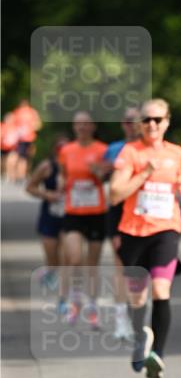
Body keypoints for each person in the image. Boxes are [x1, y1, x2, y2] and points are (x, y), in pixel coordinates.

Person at [110, 98, 181, 378]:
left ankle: (158, 354)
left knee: (160, 290)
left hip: (166, 230)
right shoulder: (130, 152)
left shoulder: (176, 152)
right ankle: (139, 340)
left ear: (167, 122)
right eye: (146, 120)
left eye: (158, 119)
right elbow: (114, 194)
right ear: (139, 124)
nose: (152, 124)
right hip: (133, 233)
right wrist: (144, 172)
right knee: (137, 297)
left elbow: (179, 179)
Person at [57, 111, 108, 326]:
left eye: (86, 124)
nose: (82, 128)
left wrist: (98, 171)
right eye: (78, 124)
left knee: (92, 263)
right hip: (74, 212)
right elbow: (62, 174)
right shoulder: (67, 150)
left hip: (96, 212)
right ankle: (75, 299)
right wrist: (61, 184)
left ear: (93, 126)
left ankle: (93, 306)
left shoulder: (102, 150)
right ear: (73, 127)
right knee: (75, 258)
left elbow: (106, 177)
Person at [102, 108, 142, 341]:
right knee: (121, 267)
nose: (131, 125)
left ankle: (138, 316)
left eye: (136, 121)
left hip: (145, 215)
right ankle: (121, 320)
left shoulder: (151, 148)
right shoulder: (114, 149)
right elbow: (102, 177)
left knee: (141, 270)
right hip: (119, 211)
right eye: (127, 121)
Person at [25, 133, 69, 296]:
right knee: (52, 256)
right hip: (50, 215)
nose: (62, 151)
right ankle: (51, 275)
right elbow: (30, 187)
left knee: (67, 255)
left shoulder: (75, 165)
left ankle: (64, 291)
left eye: (66, 147)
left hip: (70, 216)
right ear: (54, 149)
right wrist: (47, 194)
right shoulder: (47, 166)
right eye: (59, 147)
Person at [12, 99, 43, 182]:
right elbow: (38, 124)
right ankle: (21, 175)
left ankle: (18, 175)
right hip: (28, 138)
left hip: (23, 138)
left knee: (21, 157)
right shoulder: (32, 112)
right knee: (25, 158)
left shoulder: (18, 111)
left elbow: (13, 125)